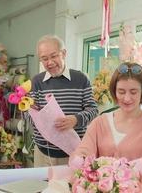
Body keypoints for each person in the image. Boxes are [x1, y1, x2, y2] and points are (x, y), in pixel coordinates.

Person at [71, 62, 142, 165]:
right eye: (121, 92)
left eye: (133, 92)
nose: (127, 98)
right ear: (114, 91)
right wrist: (79, 159)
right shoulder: (99, 124)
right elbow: (83, 151)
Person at [29, 35, 98, 167]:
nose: (49, 62)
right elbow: (29, 115)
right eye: (44, 59)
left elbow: (93, 110)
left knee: (71, 187)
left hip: (74, 154)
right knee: (41, 187)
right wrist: (37, 116)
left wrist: (76, 120)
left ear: (64, 54)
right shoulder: (36, 81)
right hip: (43, 153)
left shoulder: (81, 79)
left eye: (54, 56)